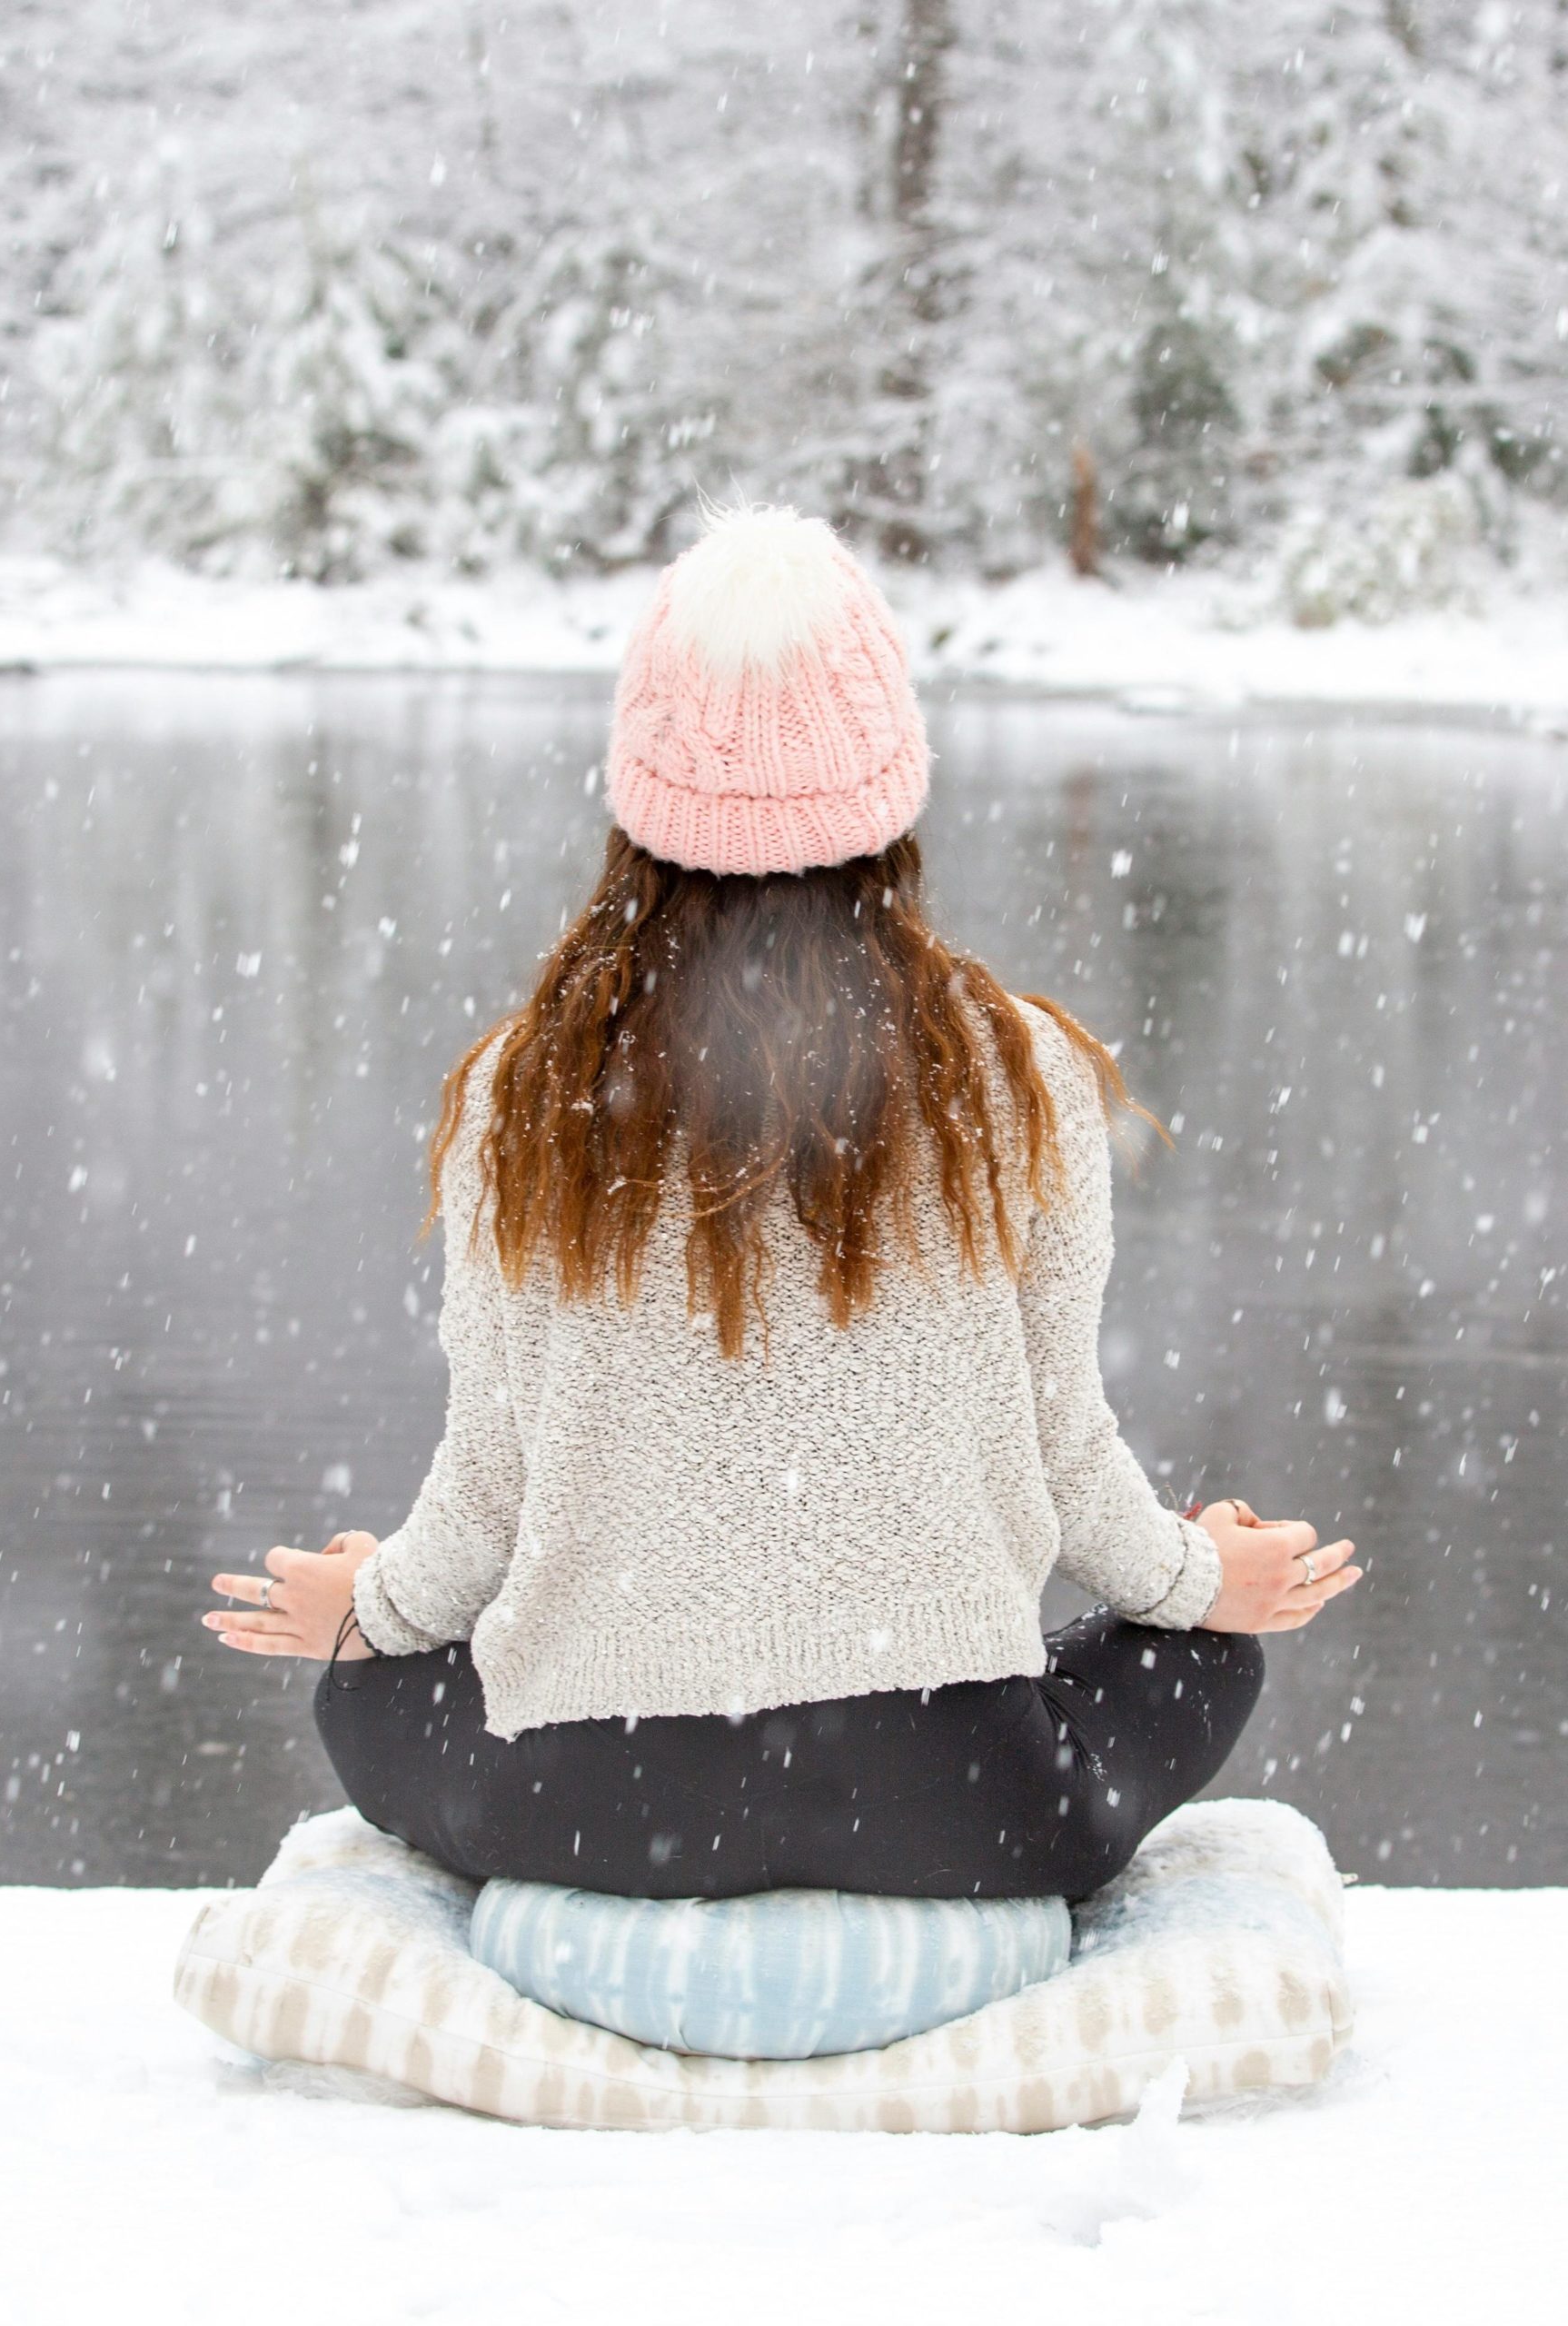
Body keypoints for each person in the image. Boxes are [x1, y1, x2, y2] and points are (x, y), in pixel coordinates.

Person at [202, 505, 1362, 1904]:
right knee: (1199, 1651)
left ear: (642, 794)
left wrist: (370, 1612)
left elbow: (488, 1493)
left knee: (364, 1696)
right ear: (890, 788)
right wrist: (1201, 1583)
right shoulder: (1022, 1072)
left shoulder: (523, 1092)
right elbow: (1065, 1454)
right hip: (966, 1815)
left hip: (594, 1811)